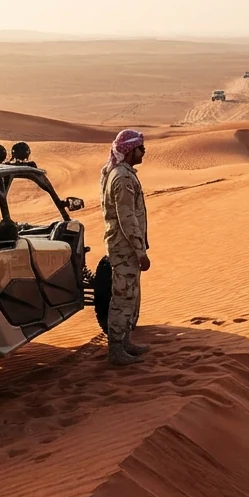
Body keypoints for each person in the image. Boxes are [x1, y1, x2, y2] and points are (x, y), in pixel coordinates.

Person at [100, 128, 151, 365]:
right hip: (124, 249)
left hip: (126, 247)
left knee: (130, 295)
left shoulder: (124, 173)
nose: (144, 151)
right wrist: (140, 252)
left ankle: (126, 341)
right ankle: (116, 349)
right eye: (140, 148)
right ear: (130, 151)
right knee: (122, 297)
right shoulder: (122, 178)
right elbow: (126, 218)